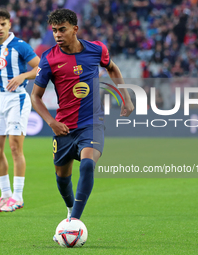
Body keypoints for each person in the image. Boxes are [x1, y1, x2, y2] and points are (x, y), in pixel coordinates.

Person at [31, 9, 134, 221]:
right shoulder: (49, 58)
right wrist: (52, 122)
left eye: (62, 30)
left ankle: (74, 221)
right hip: (64, 127)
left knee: (87, 165)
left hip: (91, 123)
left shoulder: (96, 49)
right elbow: (36, 97)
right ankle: (70, 209)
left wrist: (126, 96)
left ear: (75, 29)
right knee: (62, 178)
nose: (57, 35)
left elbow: (112, 68)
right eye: (54, 31)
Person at [0, 7, 40, 213]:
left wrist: (23, 76)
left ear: (9, 25)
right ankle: (5, 196)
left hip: (17, 100)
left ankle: (18, 196)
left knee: (15, 148)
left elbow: (40, 68)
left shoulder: (19, 46)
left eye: (3, 24)